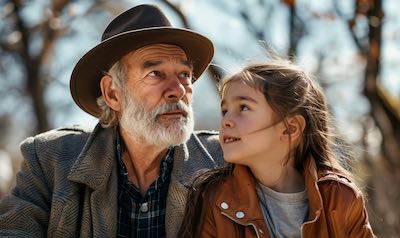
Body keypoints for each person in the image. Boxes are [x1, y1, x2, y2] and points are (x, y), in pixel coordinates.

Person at [0, 4, 224, 238]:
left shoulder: (225, 161)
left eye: (185, 75)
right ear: (113, 94)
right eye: (155, 74)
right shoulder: (48, 160)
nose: (178, 90)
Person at [178, 61, 376, 238]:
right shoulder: (214, 198)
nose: (226, 121)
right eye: (224, 111)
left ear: (290, 128)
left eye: (244, 108)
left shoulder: (340, 197)